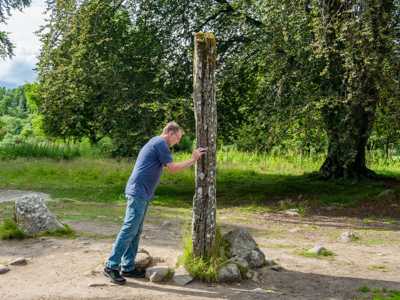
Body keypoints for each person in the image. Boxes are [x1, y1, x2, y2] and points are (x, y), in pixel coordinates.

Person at [104, 121, 207, 285]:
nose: (178, 141)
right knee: (130, 227)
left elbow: (166, 166)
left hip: (142, 193)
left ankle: (127, 267)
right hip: (138, 192)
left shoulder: (157, 143)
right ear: (170, 133)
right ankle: (111, 266)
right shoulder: (160, 143)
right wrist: (194, 159)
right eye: (178, 137)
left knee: (136, 230)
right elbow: (172, 168)